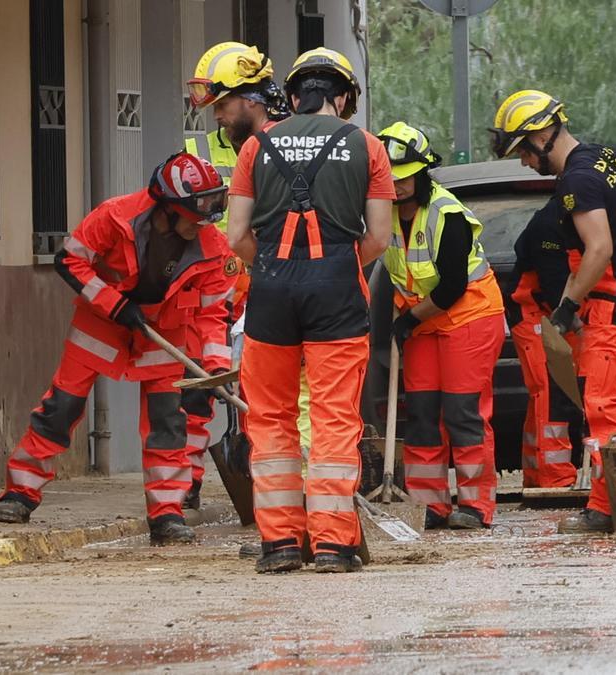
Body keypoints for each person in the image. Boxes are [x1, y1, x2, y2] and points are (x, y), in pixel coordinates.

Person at [0, 153, 236, 544]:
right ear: (168, 210)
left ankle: (167, 514)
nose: (206, 222)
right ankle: (19, 493)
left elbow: (213, 318)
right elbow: (70, 261)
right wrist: (114, 305)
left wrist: (216, 371)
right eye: (197, 213)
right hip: (101, 328)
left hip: (164, 337)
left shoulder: (213, 248)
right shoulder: (115, 216)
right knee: (62, 407)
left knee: (167, 426)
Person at [226, 48, 393, 574]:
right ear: (342, 97)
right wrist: (339, 267)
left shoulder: (256, 146)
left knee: (270, 417)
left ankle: (278, 545)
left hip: (271, 294)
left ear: (293, 95)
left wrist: (277, 267)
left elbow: (236, 237)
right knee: (334, 417)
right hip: (337, 293)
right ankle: (332, 546)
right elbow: (380, 239)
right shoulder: (368, 147)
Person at [490, 90, 616, 534]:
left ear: (542, 136)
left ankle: (605, 509)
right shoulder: (604, 157)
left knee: (601, 403)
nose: (526, 164)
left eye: (524, 153)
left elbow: (599, 248)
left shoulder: (577, 180)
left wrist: (567, 307)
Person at [377, 121, 506, 530]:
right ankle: (428, 504)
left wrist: (407, 320)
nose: (397, 187)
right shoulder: (384, 214)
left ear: (422, 171)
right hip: (423, 321)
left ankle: (475, 504)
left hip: (468, 315)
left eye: (404, 178)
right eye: (390, 180)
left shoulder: (446, 213)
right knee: (422, 412)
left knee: (462, 411)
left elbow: (450, 287)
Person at [182, 41, 290, 507]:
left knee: (263, 398)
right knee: (195, 389)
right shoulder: (200, 150)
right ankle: (180, 486)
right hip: (211, 292)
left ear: (252, 98)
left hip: (268, 289)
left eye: (222, 105)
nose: (217, 117)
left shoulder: (291, 145)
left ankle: (264, 488)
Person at [504, 201, 579, 488]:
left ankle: (538, 473)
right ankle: (554, 476)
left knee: (546, 393)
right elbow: (555, 285)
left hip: (556, 309)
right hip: (534, 309)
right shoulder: (549, 226)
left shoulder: (575, 219)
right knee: (549, 388)